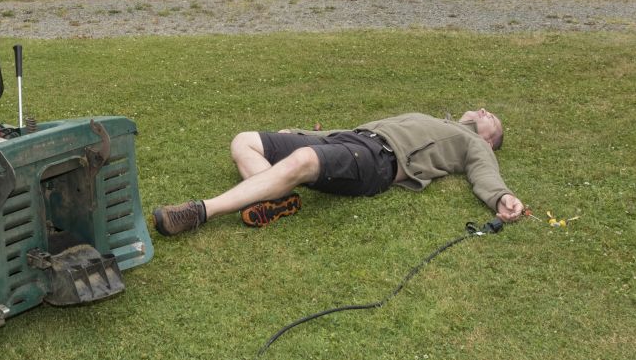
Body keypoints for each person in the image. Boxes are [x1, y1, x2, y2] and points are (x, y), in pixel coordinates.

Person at [152, 109, 524, 236]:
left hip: (379, 161)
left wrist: (501, 197)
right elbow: (359, 131)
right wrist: (302, 135)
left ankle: (201, 211)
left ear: (490, 139)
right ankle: (277, 199)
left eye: (491, 117)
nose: (483, 110)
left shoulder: (473, 143)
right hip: (353, 139)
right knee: (243, 141)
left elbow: (485, 174)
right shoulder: (435, 120)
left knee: (302, 162)